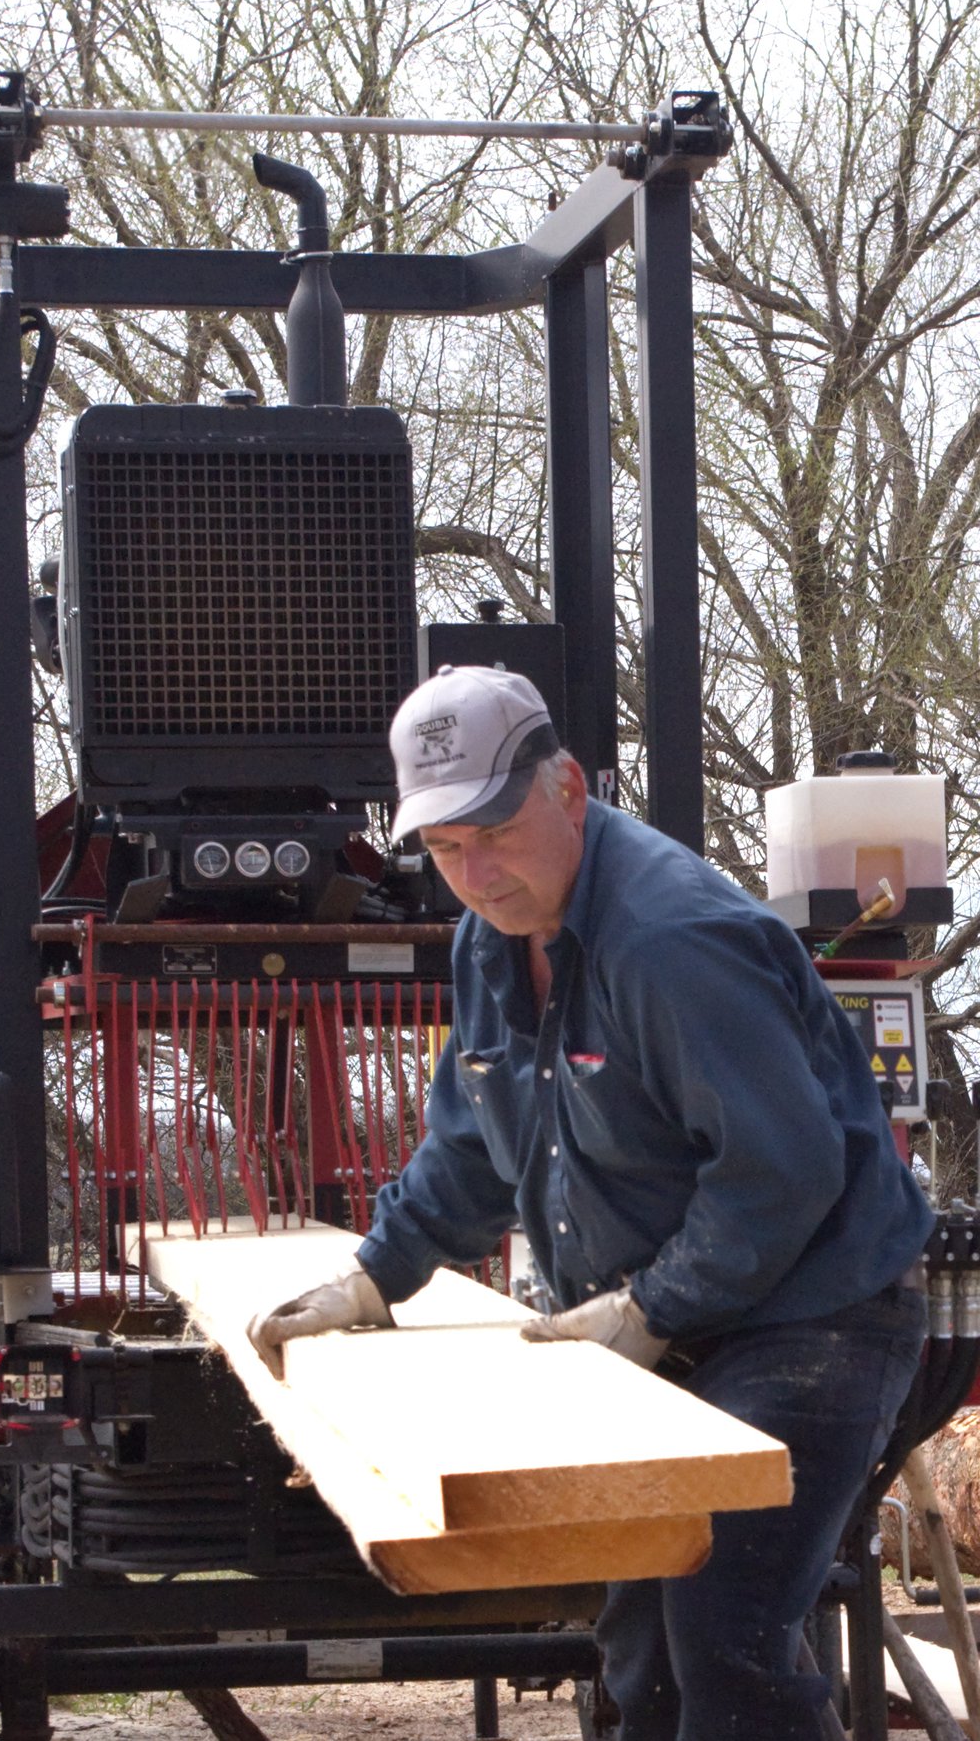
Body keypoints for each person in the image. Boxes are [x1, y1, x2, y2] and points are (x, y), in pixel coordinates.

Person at [249, 664, 931, 1741]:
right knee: (638, 1645)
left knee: (726, 1633)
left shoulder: (670, 940)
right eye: (444, 846)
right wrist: (374, 1274)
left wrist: (649, 1308)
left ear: (566, 785)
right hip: (674, 1318)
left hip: (813, 1317)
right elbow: (474, 1141)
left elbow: (782, 1171)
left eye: (496, 829)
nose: (476, 870)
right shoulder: (489, 940)